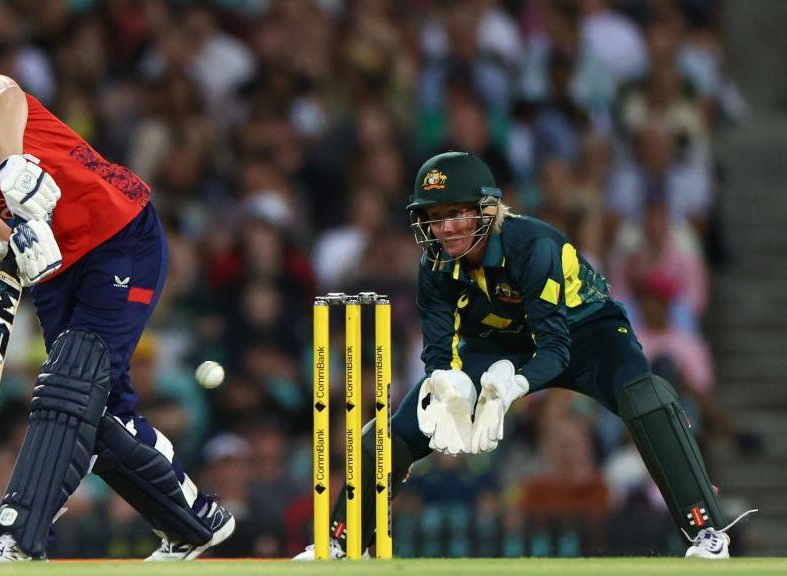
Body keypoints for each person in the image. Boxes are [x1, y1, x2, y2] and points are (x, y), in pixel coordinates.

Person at [0, 54, 235, 562]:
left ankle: (16, 535)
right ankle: (194, 522)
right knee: (95, 417)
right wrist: (13, 243)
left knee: (66, 387)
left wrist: (13, 163)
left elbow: (6, 94)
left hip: (120, 239)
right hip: (55, 273)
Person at [294, 152, 754, 560]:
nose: (445, 228)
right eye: (434, 216)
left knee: (646, 399)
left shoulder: (533, 245)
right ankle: (339, 541)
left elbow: (555, 347)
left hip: (585, 332)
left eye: (457, 213)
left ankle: (706, 532)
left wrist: (512, 387)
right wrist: (445, 389)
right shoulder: (434, 264)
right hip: (495, 344)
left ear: (487, 211)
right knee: (396, 430)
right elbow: (438, 353)